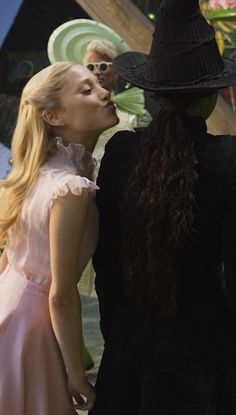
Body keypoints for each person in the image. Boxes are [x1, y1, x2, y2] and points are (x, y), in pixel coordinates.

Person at [89, 0, 236, 414]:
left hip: (130, 348)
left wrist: (117, 335)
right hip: (206, 350)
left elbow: (108, 265)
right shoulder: (228, 158)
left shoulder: (122, 151)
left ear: (152, 92)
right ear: (210, 97)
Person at [0, 60, 119, 415]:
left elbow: (8, 259)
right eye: (86, 90)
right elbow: (61, 296)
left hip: (11, 313)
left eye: (97, 84)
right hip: (31, 332)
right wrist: (76, 375)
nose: (104, 92)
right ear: (53, 116)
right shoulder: (71, 187)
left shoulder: (37, 173)